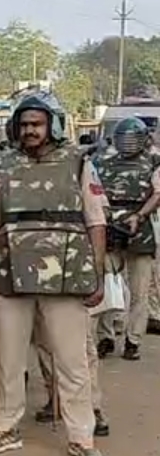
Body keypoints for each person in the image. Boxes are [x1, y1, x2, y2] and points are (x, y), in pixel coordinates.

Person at [0, 91, 106, 456]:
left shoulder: (78, 163)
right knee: (8, 359)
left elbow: (96, 221)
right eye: (23, 124)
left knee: (72, 361)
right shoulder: (0, 165)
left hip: (66, 275)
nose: (29, 130)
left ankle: (81, 437)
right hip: (12, 273)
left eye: (36, 123)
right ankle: (3, 428)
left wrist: (97, 274)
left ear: (52, 124)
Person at [92, 117, 160, 361]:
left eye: (133, 139)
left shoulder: (153, 162)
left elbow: (158, 193)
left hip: (139, 230)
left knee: (139, 291)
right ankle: (105, 337)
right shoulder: (102, 162)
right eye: (124, 139)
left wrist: (140, 215)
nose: (128, 144)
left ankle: (133, 340)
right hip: (110, 228)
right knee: (108, 285)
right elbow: (94, 193)